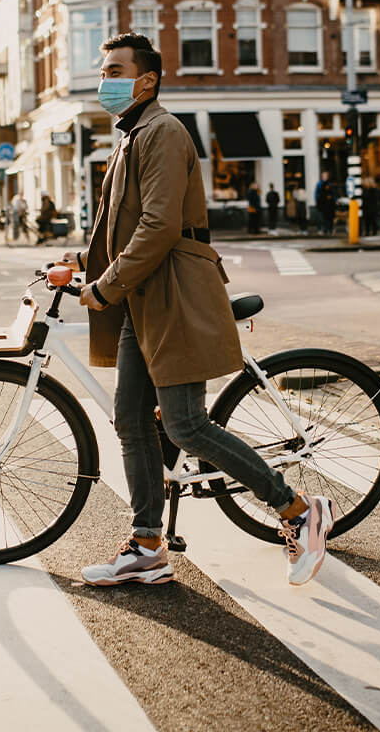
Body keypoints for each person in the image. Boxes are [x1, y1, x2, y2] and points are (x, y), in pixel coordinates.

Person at [60, 32, 335, 588]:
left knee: (184, 424)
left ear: (147, 80)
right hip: (143, 301)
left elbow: (159, 226)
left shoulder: (162, 131)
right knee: (132, 424)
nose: (104, 82)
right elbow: (122, 225)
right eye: (103, 71)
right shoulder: (130, 134)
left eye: (115, 71)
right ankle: (145, 546)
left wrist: (105, 286)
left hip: (173, 296)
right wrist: (80, 261)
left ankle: (300, 512)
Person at [314, 170, 336, 235]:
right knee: (322, 218)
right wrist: (317, 201)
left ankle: (329, 229)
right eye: (324, 176)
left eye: (326, 176)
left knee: (329, 218)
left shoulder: (330, 184)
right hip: (322, 204)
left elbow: (333, 194)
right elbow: (316, 194)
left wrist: (334, 200)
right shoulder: (319, 184)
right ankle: (323, 229)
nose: (325, 177)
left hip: (329, 205)